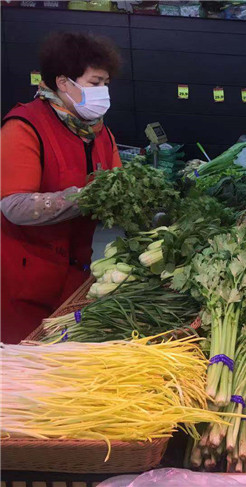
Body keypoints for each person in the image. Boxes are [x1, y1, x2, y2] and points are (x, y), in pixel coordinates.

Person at [1, 32, 122, 343]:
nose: (103, 91)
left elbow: (120, 185)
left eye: (106, 83)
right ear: (64, 82)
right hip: (27, 276)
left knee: (64, 350)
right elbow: (14, 206)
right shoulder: (24, 126)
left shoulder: (100, 132)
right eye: (95, 82)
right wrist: (87, 198)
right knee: (25, 356)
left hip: (76, 271)